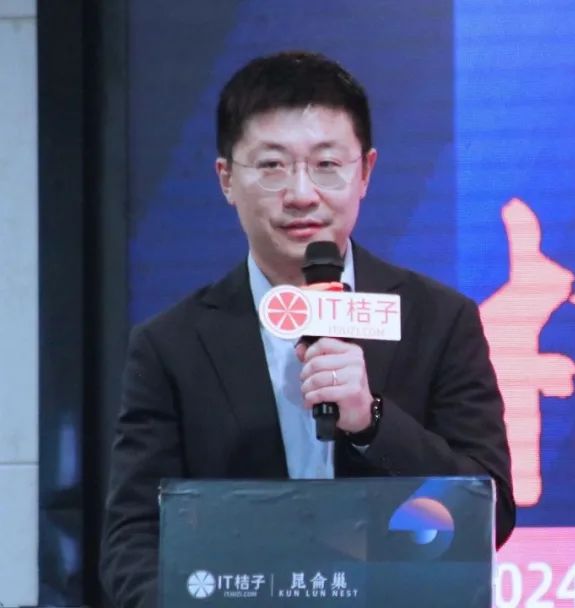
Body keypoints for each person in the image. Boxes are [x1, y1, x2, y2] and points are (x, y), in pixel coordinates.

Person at [100, 50, 515, 607]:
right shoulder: (169, 346)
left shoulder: (438, 320)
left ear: (365, 172)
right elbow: (131, 540)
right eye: (272, 166)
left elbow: (489, 514)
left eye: (326, 164)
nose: (301, 194)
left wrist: (371, 422)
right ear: (226, 179)